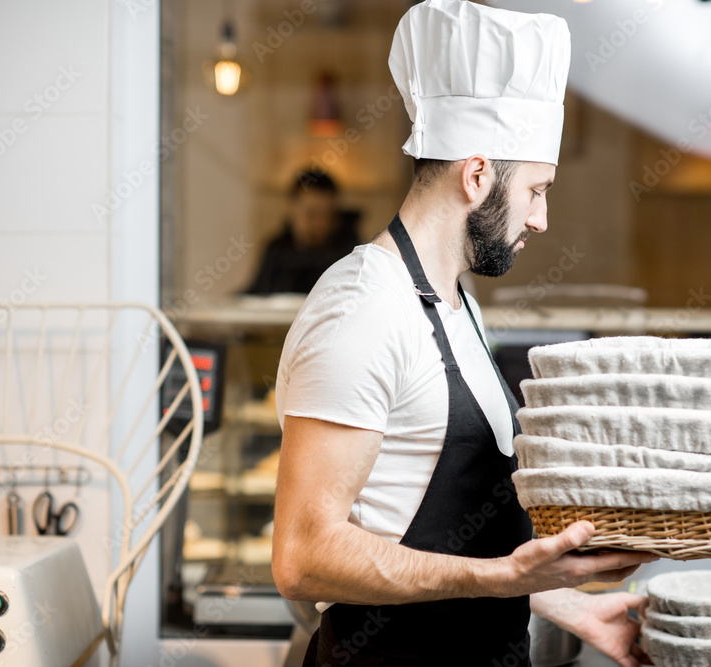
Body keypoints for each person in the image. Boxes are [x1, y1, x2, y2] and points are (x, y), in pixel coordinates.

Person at [272, 1, 655, 665]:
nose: (540, 218)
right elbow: (303, 559)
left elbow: (449, 543)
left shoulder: (458, 302)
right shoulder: (362, 310)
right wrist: (506, 578)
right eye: (535, 190)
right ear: (477, 176)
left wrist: (570, 602)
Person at [244, 170, 360, 295]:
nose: (319, 223)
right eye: (311, 214)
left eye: (327, 216)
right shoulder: (276, 249)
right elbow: (257, 293)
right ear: (290, 208)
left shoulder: (347, 251)